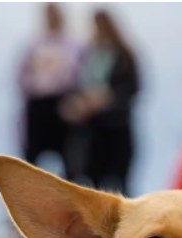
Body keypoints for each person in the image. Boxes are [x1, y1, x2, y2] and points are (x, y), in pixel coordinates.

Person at [62, 9, 140, 195]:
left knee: (120, 182)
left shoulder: (124, 56)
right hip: (91, 132)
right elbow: (73, 88)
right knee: (93, 184)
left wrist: (107, 99)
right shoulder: (86, 56)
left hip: (116, 128)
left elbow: (131, 89)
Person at [17, 3, 82, 177]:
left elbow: (76, 74)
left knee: (67, 157)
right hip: (37, 103)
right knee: (31, 157)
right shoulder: (33, 44)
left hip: (61, 104)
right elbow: (21, 75)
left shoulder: (72, 45)